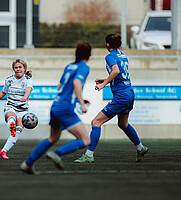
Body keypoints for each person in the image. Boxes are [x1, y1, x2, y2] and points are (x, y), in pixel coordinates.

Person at [74, 34, 148, 164]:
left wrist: (103, 84)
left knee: (96, 122)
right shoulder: (123, 56)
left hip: (121, 95)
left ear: (107, 44)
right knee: (123, 124)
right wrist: (106, 80)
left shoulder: (109, 56)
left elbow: (116, 71)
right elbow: (120, 75)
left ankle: (89, 155)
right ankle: (140, 148)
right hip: (129, 92)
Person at [20, 41, 92, 174]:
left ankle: (28, 164)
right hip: (65, 108)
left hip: (56, 105)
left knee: (53, 138)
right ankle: (57, 154)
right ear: (90, 53)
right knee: (86, 140)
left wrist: (77, 98)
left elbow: (61, 86)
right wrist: (81, 102)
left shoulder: (69, 66)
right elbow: (76, 83)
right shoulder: (84, 67)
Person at [0, 59, 33, 159]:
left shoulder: (28, 80)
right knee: (11, 117)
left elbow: (28, 89)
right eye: (16, 67)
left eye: (20, 67)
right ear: (13, 69)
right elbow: (3, 92)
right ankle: (11, 125)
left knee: (18, 130)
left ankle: (3, 151)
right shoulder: (9, 80)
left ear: (24, 68)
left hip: (23, 109)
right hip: (11, 106)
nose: (18, 69)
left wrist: (25, 97)